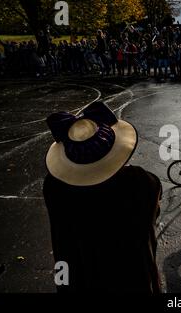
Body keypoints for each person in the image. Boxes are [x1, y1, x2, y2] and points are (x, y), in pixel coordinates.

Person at [43, 101, 162, 293]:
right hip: (133, 280)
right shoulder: (140, 181)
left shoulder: (54, 188)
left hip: (79, 280)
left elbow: (61, 245)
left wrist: (62, 284)